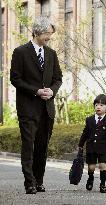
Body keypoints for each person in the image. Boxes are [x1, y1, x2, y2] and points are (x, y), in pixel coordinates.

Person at [10, 16, 63, 194]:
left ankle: (39, 180)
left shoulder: (51, 54)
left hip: (47, 109)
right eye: (47, 33)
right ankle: (29, 182)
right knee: (28, 145)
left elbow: (58, 79)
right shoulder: (20, 52)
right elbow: (15, 79)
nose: (49, 37)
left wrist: (52, 91)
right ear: (37, 32)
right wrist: (36, 91)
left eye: (50, 34)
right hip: (28, 108)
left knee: (42, 146)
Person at [78, 94, 106, 193]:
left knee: (102, 166)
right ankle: (90, 178)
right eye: (96, 105)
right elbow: (85, 133)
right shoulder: (89, 119)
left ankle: (103, 184)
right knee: (91, 167)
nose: (98, 107)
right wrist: (80, 144)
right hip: (91, 147)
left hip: (102, 148)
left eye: (101, 105)